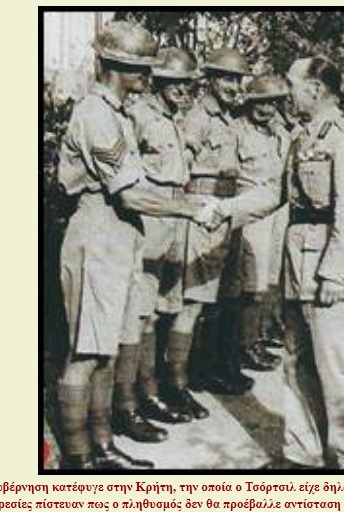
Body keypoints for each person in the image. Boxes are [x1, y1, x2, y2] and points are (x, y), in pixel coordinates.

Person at [54, 21, 215, 469]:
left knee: (108, 348)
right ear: (115, 66)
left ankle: (103, 444)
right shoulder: (95, 115)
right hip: (98, 232)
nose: (149, 75)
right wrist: (190, 208)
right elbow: (129, 194)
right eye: (141, 67)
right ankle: (78, 456)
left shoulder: (120, 113)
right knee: (86, 351)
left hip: (122, 235)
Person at [276, 56, 344, 468]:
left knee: (337, 366)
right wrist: (222, 209)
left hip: (329, 269)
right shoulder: (302, 136)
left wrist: (335, 274)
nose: (287, 92)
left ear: (315, 89)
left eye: (292, 84)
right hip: (298, 263)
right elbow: (277, 194)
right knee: (296, 361)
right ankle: (304, 454)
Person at [116, 47, 204, 431]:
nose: (182, 90)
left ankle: (154, 388)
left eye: (188, 84)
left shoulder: (174, 118)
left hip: (175, 214)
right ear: (157, 81)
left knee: (162, 308)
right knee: (140, 312)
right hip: (150, 217)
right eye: (174, 83)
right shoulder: (139, 115)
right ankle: (129, 400)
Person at [165, 47, 254, 398]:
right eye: (227, 78)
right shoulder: (198, 117)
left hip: (227, 208)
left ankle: (207, 368)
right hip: (203, 209)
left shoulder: (229, 118)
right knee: (194, 300)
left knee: (219, 297)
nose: (234, 86)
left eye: (238, 79)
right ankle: (176, 381)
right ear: (211, 80)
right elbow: (180, 167)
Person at [205, 75, 292, 372]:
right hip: (246, 211)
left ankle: (256, 336)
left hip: (275, 211)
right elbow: (227, 174)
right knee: (247, 283)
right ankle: (242, 346)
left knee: (267, 280)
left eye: (272, 104)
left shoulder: (280, 132)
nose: (267, 110)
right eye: (260, 103)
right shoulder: (235, 130)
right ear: (249, 102)